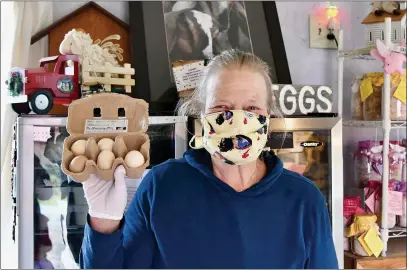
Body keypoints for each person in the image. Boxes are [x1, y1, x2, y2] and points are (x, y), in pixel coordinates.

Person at [80, 49, 339, 269]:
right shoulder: (161, 187)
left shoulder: (304, 200)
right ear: (201, 115)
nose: (237, 120)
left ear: (269, 117)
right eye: (221, 108)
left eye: (251, 109)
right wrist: (103, 222)